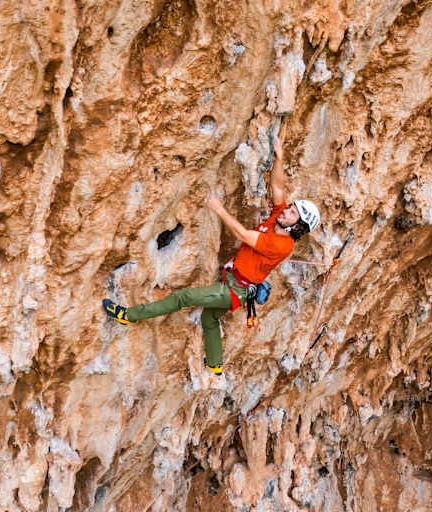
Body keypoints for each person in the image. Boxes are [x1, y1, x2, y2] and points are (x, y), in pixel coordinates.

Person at [103, 127, 320, 375]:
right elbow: (278, 189)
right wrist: (279, 157)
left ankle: (128, 315)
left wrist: (218, 209)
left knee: (183, 298)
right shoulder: (278, 219)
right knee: (209, 319)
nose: (286, 210)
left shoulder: (282, 244)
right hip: (233, 280)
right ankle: (216, 365)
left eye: (292, 213)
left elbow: (243, 235)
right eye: (290, 208)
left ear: (297, 227)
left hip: (234, 290)